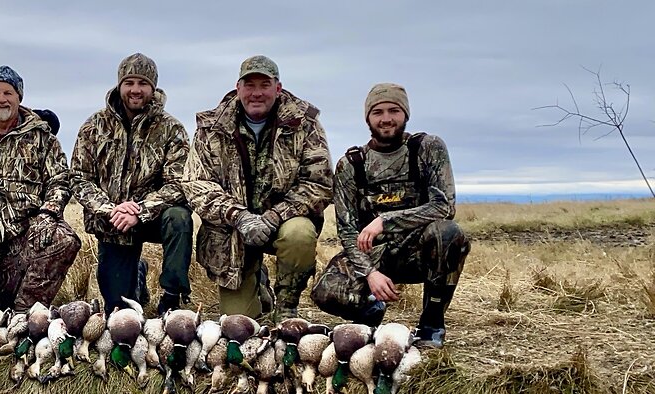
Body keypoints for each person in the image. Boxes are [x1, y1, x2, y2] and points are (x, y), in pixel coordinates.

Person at [310, 83, 468, 348]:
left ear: (405, 114)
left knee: (447, 233)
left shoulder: (427, 148)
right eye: (378, 112)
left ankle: (431, 325)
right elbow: (348, 232)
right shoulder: (352, 164)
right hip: (374, 254)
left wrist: (385, 220)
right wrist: (370, 273)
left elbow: (443, 206)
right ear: (368, 118)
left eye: (394, 110)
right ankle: (371, 311)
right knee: (325, 291)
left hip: (420, 250)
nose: (386, 118)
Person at [182, 55, 333, 322]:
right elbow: (196, 185)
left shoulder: (304, 123)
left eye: (264, 85)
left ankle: (286, 306)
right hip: (233, 232)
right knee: (239, 324)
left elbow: (318, 183)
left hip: (283, 222)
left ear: (278, 88)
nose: (256, 93)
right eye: (249, 85)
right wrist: (239, 216)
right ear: (238, 88)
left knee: (299, 234)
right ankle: (258, 286)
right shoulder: (212, 127)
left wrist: (273, 217)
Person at [72, 53, 192, 314]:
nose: (135, 90)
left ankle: (172, 296)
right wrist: (109, 209)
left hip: (154, 216)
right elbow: (79, 179)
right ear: (119, 86)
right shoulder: (94, 127)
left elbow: (179, 184)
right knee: (118, 310)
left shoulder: (171, 129)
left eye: (143, 83)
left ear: (153, 87)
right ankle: (136, 276)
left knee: (179, 218)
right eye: (129, 83)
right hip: (113, 221)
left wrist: (140, 210)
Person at [0, 66, 78, 310]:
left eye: (8, 92)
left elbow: (60, 178)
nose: (2, 99)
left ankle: (27, 312)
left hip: (28, 232)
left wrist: (48, 214)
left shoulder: (41, 135)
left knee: (64, 239)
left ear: (20, 97)